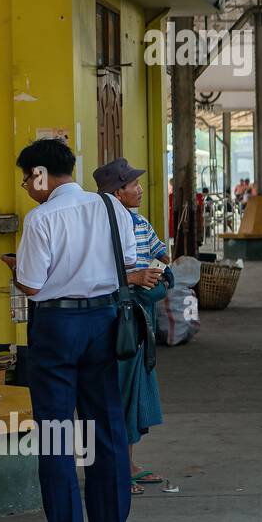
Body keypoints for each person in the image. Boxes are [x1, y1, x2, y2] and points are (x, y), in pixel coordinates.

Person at [0, 139, 142, 522]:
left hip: (57, 326)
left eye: (27, 178)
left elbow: (33, 284)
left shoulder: (41, 218)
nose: (26, 186)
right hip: (105, 321)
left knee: (58, 430)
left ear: (41, 174)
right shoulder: (112, 207)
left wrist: (16, 266)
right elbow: (127, 264)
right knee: (107, 427)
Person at [94, 158, 170, 496]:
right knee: (119, 388)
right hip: (118, 315)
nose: (140, 189)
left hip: (142, 316)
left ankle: (129, 461)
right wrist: (134, 277)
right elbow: (91, 273)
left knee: (137, 388)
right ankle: (117, 468)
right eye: (133, 185)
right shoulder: (100, 227)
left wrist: (158, 271)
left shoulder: (139, 222)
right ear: (117, 192)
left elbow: (161, 255)